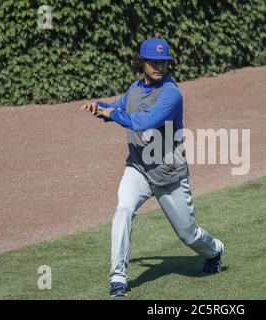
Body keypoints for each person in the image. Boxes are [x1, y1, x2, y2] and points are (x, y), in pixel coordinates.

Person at [80, 38, 224, 297]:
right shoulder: (134, 89)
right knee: (123, 208)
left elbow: (145, 121)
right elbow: (119, 107)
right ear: (141, 63)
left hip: (169, 173)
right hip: (138, 168)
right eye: (153, 61)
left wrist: (112, 114)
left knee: (188, 234)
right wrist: (100, 107)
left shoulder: (171, 93)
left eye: (164, 62)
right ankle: (118, 278)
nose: (159, 66)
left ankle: (215, 250)